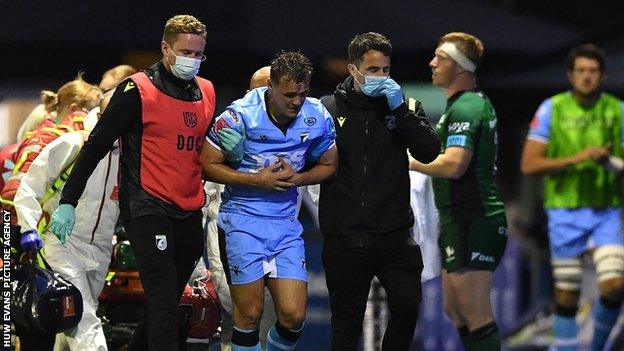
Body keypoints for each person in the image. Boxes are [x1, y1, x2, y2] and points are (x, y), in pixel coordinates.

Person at [49, 15, 218, 351]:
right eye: (186, 51)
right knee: (165, 301)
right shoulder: (136, 90)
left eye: (199, 54)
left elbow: (205, 151)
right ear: (165, 48)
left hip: (189, 209)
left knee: (167, 301)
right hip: (146, 206)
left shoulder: (208, 91)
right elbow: (96, 145)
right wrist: (68, 201)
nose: (192, 60)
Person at [202, 51, 338, 351]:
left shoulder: (317, 116)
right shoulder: (239, 116)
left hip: (286, 226)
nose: (296, 101)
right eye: (289, 94)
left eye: (302, 94)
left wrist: (298, 178)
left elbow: (330, 164)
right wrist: (257, 180)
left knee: (293, 317)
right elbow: (206, 165)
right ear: (270, 88)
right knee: (249, 315)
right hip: (242, 222)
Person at [319, 32, 440, 351]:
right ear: (353, 69)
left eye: (386, 70)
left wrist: (400, 110)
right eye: (373, 70)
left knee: (407, 310)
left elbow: (429, 152)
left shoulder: (406, 106)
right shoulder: (325, 109)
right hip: (346, 239)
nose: (381, 77)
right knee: (346, 324)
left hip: (394, 238)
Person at [521, 43, 624, 351]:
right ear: (570, 75)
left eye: (593, 71)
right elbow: (529, 164)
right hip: (564, 213)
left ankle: (596, 348)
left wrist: (608, 162)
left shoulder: (617, 110)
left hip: (606, 212)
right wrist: (577, 158)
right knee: (567, 294)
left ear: (602, 75)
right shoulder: (551, 108)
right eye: (581, 71)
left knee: (615, 285)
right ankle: (565, 347)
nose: (587, 77)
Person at [409, 32, 507, 351]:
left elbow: (454, 165)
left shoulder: (466, 108)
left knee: (475, 313)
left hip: (475, 218)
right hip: (458, 220)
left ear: (461, 67)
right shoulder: (458, 107)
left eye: (441, 57)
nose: (432, 62)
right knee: (456, 310)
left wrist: (408, 161)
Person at [15, 88, 119, 351]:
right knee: (85, 324)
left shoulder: (130, 153)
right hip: (63, 246)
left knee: (69, 326)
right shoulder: (75, 143)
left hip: (101, 248)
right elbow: (28, 187)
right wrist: (28, 228)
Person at [204, 65, 278, 350]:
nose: (264, 95)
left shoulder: (298, 130)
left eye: (270, 89)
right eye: (258, 89)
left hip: (278, 237)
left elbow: (314, 192)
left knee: (281, 321)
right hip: (232, 230)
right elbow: (205, 193)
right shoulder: (228, 127)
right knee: (237, 314)